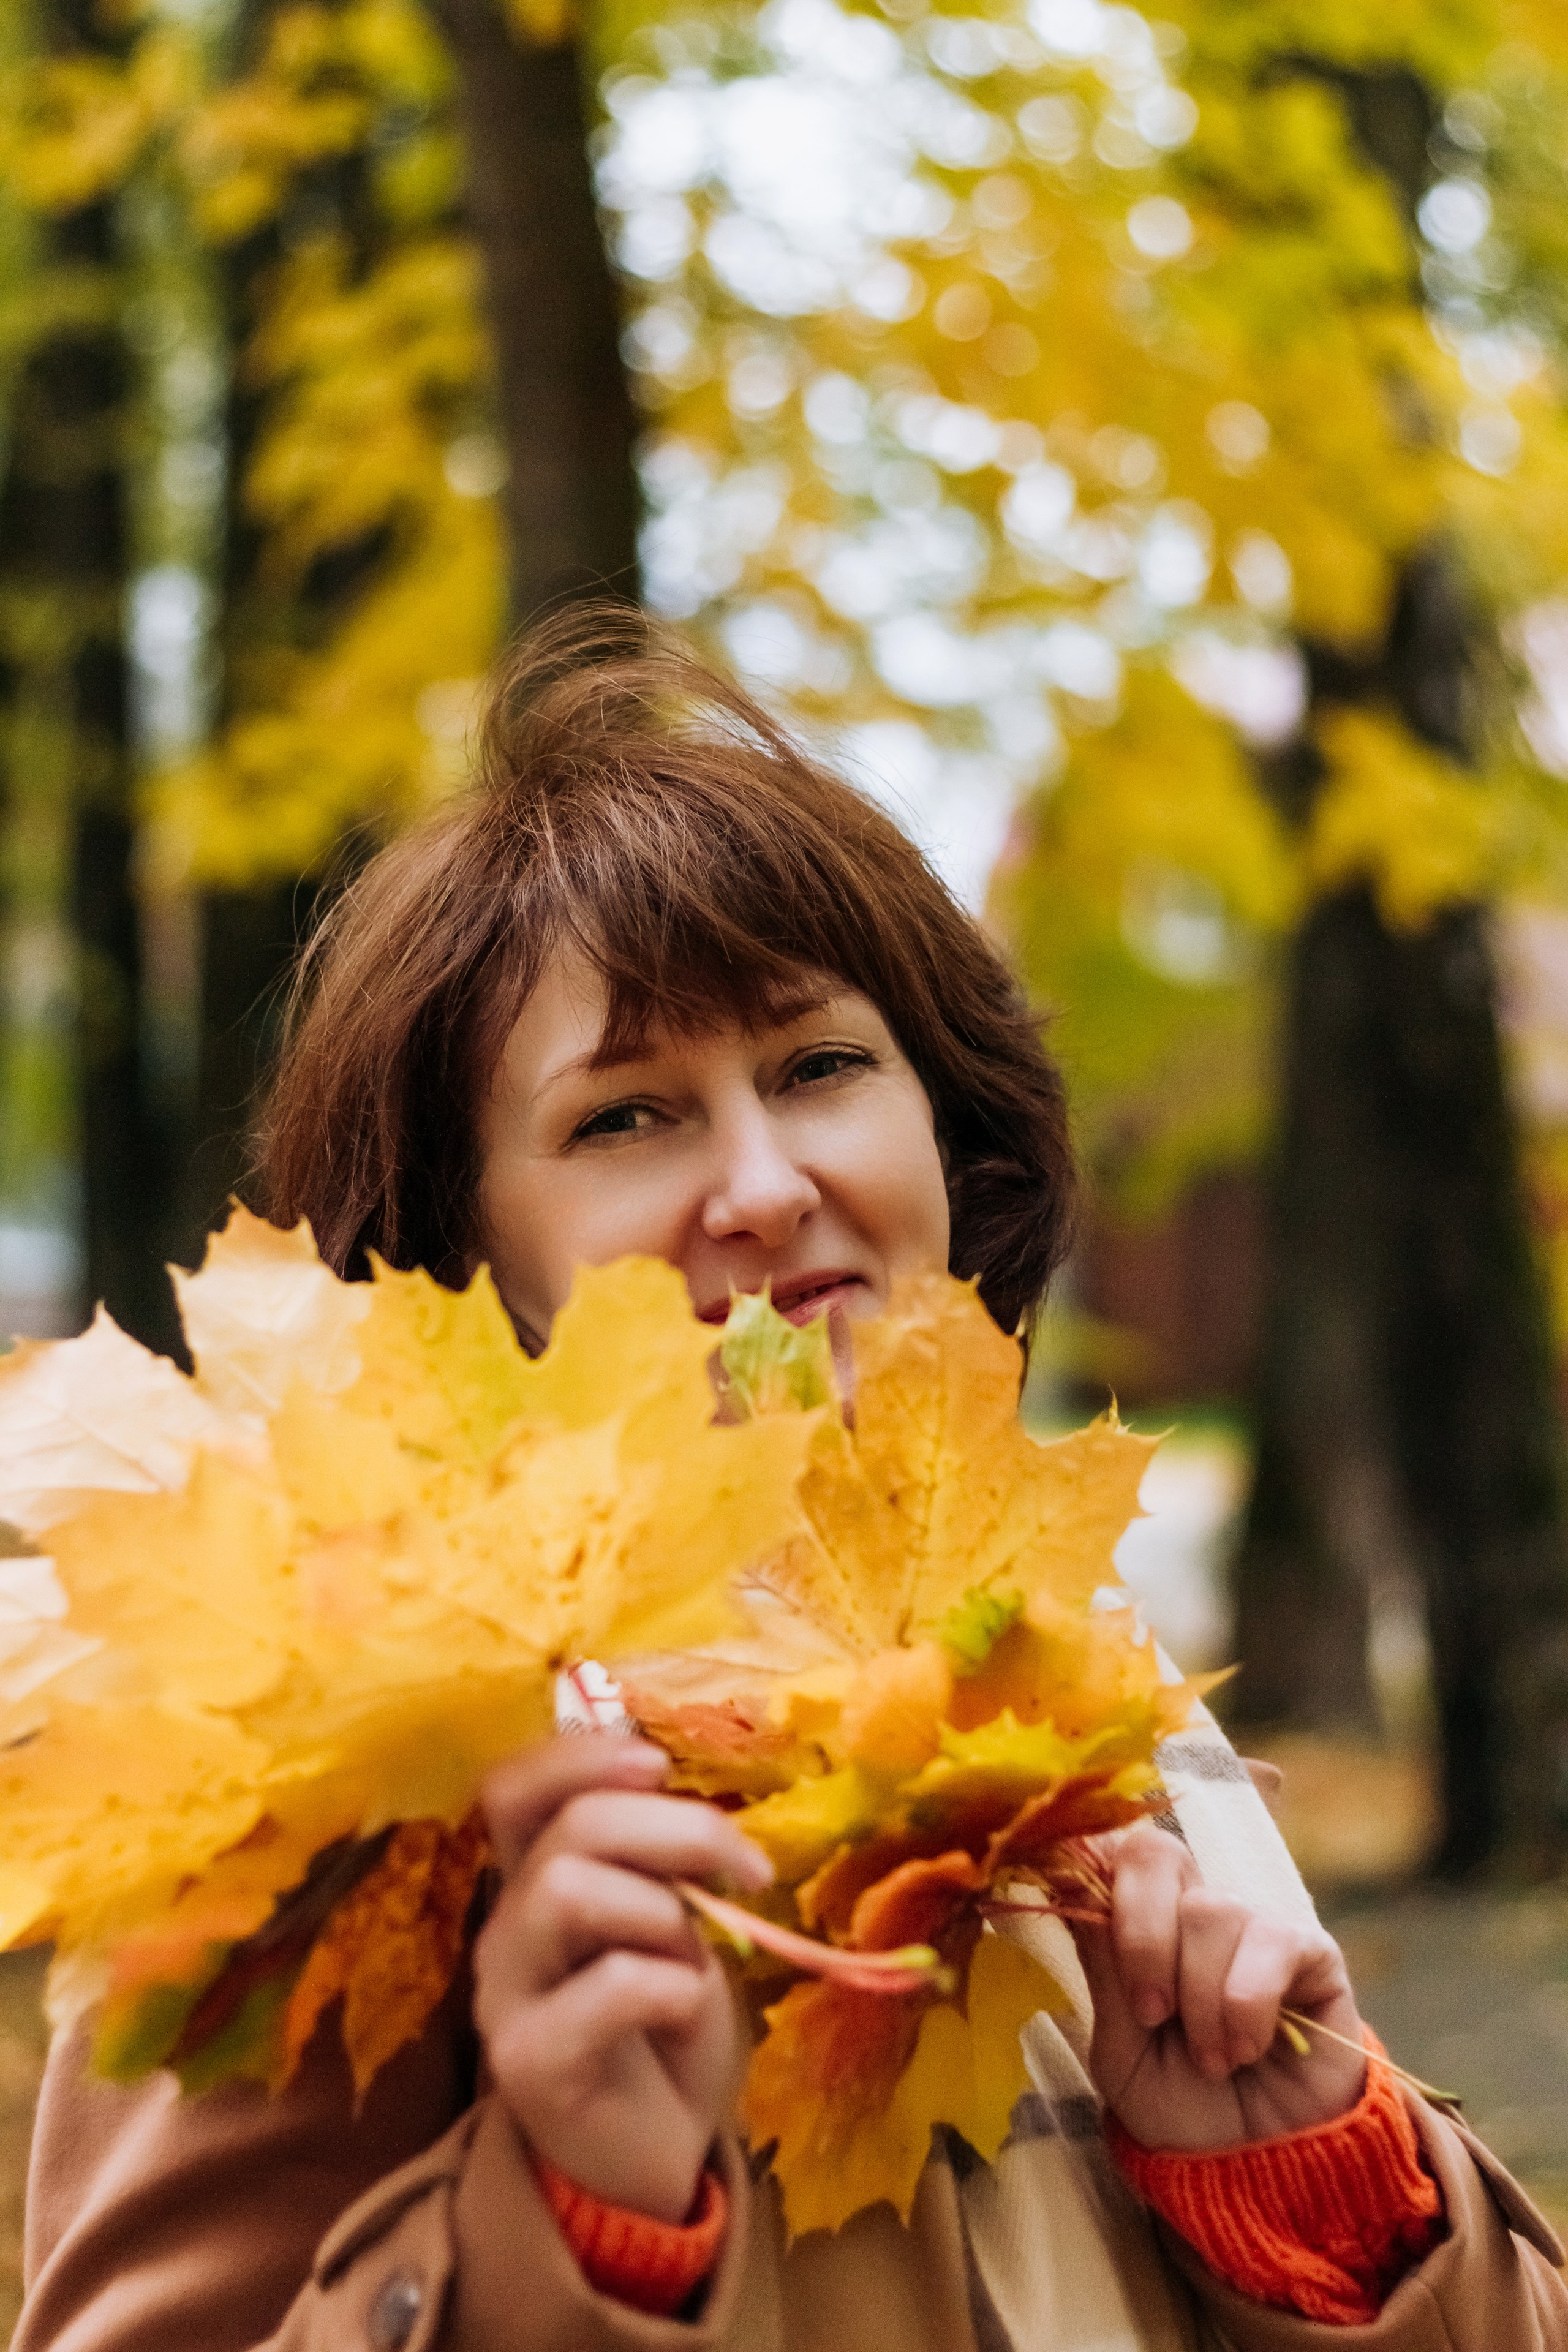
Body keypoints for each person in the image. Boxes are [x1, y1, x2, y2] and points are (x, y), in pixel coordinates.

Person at [15, 609, 1567, 2352]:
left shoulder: (1081, 1668)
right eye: (626, 1117)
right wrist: (572, 2237)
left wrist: (1329, 2220)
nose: (763, 1185)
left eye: (821, 1066)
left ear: (944, 1124)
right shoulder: (340, 1754)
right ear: (460, 1259)